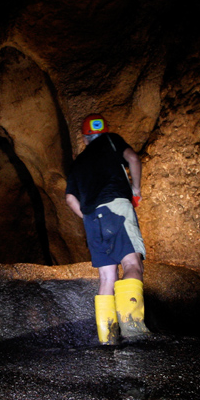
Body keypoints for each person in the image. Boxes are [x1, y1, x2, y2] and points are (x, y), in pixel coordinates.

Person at [65, 113, 150, 344]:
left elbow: (71, 199)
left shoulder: (77, 163)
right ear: (103, 132)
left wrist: (89, 216)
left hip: (92, 218)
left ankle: (108, 339)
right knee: (132, 264)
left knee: (106, 278)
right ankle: (133, 332)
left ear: (85, 139)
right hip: (117, 207)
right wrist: (136, 190)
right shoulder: (111, 140)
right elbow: (133, 159)